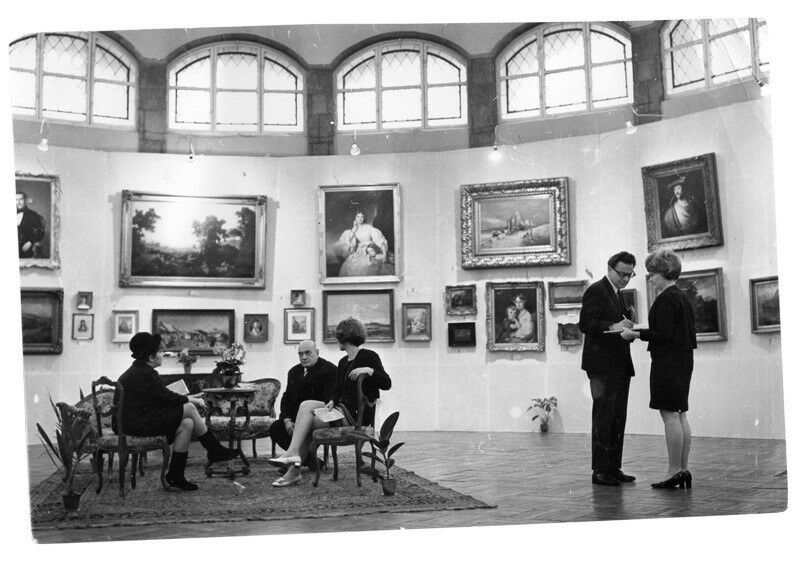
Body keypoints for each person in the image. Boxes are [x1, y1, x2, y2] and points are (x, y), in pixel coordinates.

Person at [269, 318, 392, 487]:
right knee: (306, 410)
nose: (337, 340)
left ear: (345, 337)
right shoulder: (343, 362)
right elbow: (338, 391)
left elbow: (386, 383)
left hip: (356, 416)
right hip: (340, 411)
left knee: (306, 414)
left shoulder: (369, 356)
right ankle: (293, 467)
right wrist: (333, 400)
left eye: (338, 337)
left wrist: (369, 370)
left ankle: (293, 463)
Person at [114, 332, 239, 491]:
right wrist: (193, 400)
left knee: (186, 424)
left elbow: (160, 397)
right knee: (190, 408)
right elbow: (166, 398)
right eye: (160, 351)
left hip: (134, 421)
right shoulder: (145, 373)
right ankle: (214, 450)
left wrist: (190, 397)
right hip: (134, 424)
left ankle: (176, 475)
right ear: (151, 357)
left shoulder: (139, 370)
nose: (163, 354)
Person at [621, 249, 697, 489]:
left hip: (667, 362)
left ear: (664, 272)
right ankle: (682, 469)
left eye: (653, 273)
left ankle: (674, 470)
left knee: (669, 414)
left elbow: (663, 334)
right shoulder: (681, 296)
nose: (651, 278)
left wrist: (635, 334)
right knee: (680, 414)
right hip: (682, 360)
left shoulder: (666, 298)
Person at [578, 251, 637, 486]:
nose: (626, 279)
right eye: (622, 274)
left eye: (630, 274)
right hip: (601, 366)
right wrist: (614, 326)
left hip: (618, 363)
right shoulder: (596, 290)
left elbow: (612, 325)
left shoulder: (617, 293)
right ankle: (600, 470)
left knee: (618, 416)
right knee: (604, 416)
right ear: (610, 269)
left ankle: (613, 467)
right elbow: (586, 324)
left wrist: (626, 326)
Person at [267, 340, 337, 469]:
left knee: (305, 426)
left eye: (308, 353)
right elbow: (286, 398)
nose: (303, 357)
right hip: (294, 418)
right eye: (300, 354)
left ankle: (295, 463)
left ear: (317, 352)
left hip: (314, 418)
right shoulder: (293, 372)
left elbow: (328, 401)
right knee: (275, 428)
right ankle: (311, 460)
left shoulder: (329, 369)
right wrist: (287, 420)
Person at [336, 211, 389, 277]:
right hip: (360, 251)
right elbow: (351, 240)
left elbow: (378, 241)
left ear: (364, 218)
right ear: (355, 218)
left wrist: (384, 254)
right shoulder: (354, 229)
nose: (360, 219)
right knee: (350, 264)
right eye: (358, 217)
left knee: (366, 266)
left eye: (362, 217)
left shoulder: (369, 228)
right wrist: (355, 227)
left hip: (370, 247)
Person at [17, 191, 45, 259]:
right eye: (16, 200)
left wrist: (30, 242)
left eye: (21, 199)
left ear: (25, 200)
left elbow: (40, 232)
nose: (18, 202)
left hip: (26, 246)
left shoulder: (33, 215)